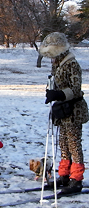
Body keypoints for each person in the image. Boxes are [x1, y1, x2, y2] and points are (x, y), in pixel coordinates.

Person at [39, 32, 89, 194]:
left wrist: (59, 94)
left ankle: (76, 179)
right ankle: (64, 175)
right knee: (63, 144)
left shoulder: (71, 64)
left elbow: (75, 89)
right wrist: (51, 91)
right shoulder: (58, 63)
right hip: (62, 110)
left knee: (74, 144)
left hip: (73, 110)